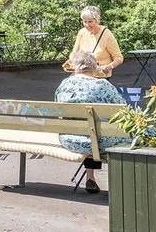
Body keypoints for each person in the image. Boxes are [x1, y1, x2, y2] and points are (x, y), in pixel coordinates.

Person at [54, 51, 128, 194]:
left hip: (69, 139)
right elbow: (123, 109)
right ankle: (122, 184)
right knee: (110, 133)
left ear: (75, 66)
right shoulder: (102, 85)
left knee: (92, 130)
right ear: (95, 66)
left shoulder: (64, 85)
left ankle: (91, 178)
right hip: (99, 141)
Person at [63, 6, 123, 78]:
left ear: (97, 20)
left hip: (100, 76)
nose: (87, 25)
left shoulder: (106, 34)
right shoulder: (82, 32)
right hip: (83, 75)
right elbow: (74, 53)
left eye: (90, 21)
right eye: (85, 22)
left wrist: (109, 66)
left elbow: (119, 58)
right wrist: (71, 60)